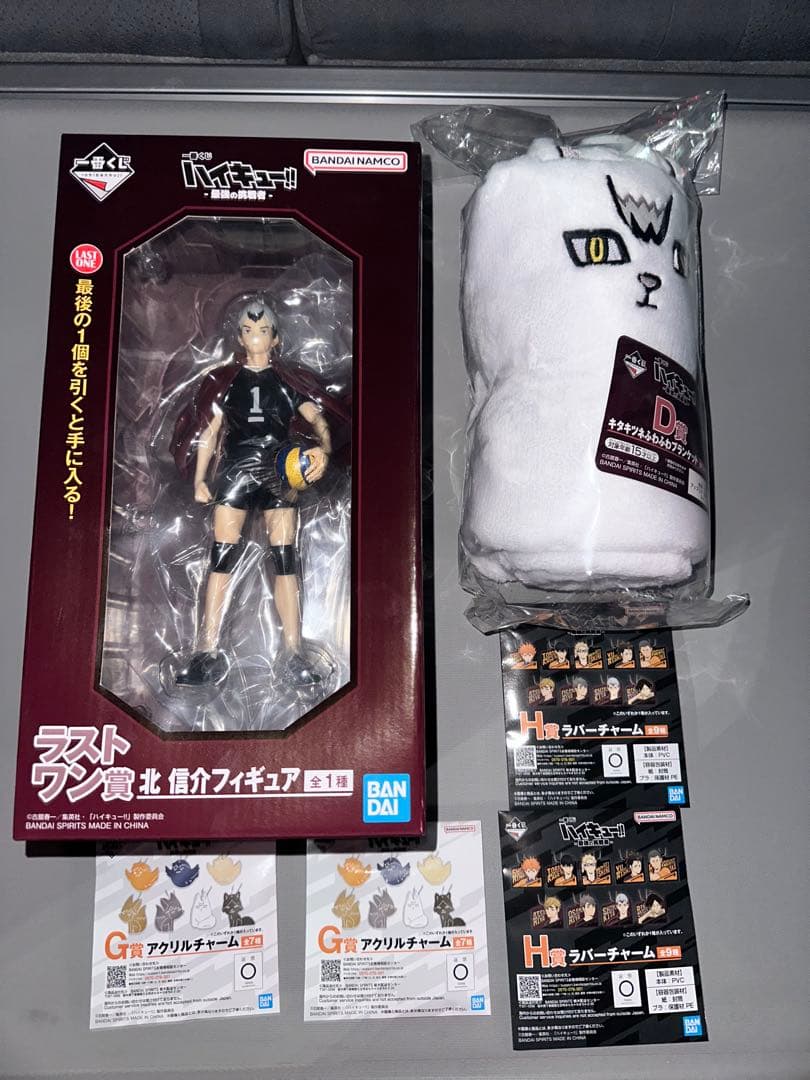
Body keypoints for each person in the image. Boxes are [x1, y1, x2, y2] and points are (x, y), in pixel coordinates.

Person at [174, 298, 331, 688]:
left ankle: (293, 651)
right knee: (221, 557)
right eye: (248, 330)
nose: (255, 337)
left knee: (285, 559)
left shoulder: (289, 380)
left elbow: (317, 417)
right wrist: (199, 478)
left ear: (275, 338)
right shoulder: (226, 381)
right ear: (240, 337)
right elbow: (210, 432)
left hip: (280, 470)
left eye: (262, 331)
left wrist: (324, 451)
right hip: (236, 471)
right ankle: (206, 649)